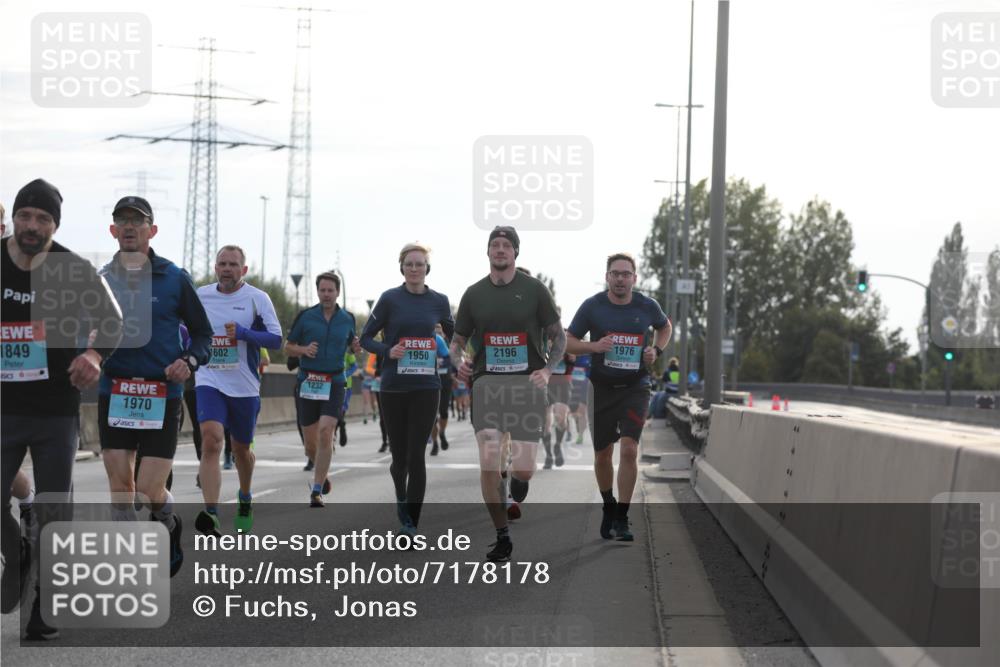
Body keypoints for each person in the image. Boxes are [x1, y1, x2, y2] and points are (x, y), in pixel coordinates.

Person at [1, 179, 123, 637]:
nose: (32, 226)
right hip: (3, 407)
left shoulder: (72, 269)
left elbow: (112, 321)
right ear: (14, 217)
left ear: (55, 224)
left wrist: (93, 356)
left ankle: (43, 607)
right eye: (25, 216)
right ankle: (18, 554)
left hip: (55, 407)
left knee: (54, 510)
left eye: (43, 219)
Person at [96, 195, 211, 576]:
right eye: (122, 221)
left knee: (147, 489)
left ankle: (167, 521)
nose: (129, 227)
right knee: (121, 487)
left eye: (137, 221)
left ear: (152, 230)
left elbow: (203, 335)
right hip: (115, 391)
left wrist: (189, 361)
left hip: (162, 394)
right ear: (113, 231)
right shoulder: (101, 279)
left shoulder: (174, 278)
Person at [450, 227, 564, 562]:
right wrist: (458, 363)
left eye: (506, 246)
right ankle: (502, 534)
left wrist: (547, 370)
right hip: (487, 385)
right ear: (488, 252)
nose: (500, 250)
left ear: (516, 253)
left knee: (525, 469)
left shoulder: (535, 291)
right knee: (488, 457)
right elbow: (457, 342)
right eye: (494, 245)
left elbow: (558, 337)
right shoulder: (473, 294)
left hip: (527, 386)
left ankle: (518, 481)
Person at [566, 252, 671, 542]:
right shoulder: (592, 306)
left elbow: (665, 326)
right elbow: (569, 341)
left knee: (628, 450)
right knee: (603, 454)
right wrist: (595, 346)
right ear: (607, 277)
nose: (621, 279)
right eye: (616, 273)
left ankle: (623, 517)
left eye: (627, 274)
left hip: (636, 387)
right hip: (601, 388)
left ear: (635, 278)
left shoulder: (647, 306)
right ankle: (608, 505)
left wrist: (656, 350)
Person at [361, 243, 453, 536]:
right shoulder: (390, 299)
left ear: (428, 268)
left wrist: (457, 352)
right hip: (394, 388)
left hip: (427, 386)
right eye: (409, 264)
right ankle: (401, 497)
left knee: (417, 455)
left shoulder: (439, 301)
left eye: (420, 264)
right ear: (402, 268)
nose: (415, 269)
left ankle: (411, 523)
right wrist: (389, 351)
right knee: (399, 459)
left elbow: (458, 336)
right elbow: (365, 339)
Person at [194, 246, 282, 534]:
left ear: (243, 270)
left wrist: (245, 334)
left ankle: (245, 497)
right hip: (209, 379)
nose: (227, 268)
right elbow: (184, 328)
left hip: (244, 386)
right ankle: (211, 512)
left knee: (242, 449)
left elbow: (276, 339)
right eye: (222, 263)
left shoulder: (258, 298)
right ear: (215, 267)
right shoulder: (201, 295)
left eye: (233, 264)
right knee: (211, 440)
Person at [285, 271, 358, 508]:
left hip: (335, 381)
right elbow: (288, 347)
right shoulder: (306, 317)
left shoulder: (347, 318)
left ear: (338, 292)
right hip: (308, 381)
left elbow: (352, 346)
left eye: (331, 290)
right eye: (322, 290)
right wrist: (304, 350)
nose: (326, 294)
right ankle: (321, 470)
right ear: (318, 292)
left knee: (326, 432)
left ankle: (316, 490)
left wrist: (356, 347)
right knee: (310, 445)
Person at [430, 323, 452, 455]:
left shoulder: (438, 339)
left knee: (443, 411)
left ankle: (442, 433)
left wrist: (439, 361)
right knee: (432, 415)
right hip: (430, 379)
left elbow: (449, 358)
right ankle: (435, 443)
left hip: (444, 378)